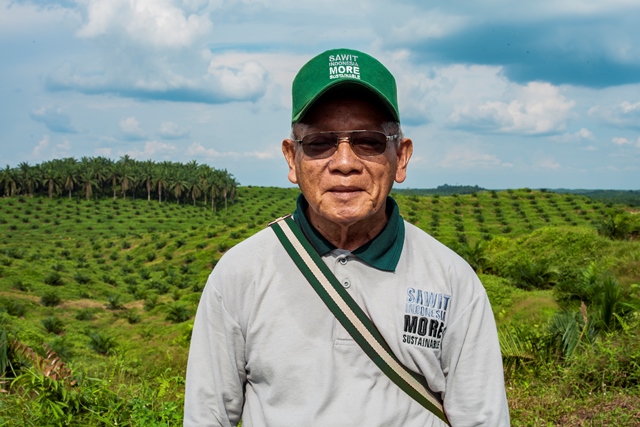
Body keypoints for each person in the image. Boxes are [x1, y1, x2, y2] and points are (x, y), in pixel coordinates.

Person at [184, 48, 510, 427]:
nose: (344, 163)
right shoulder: (240, 274)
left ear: (401, 158)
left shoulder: (452, 281)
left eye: (369, 141)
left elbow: (482, 418)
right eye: (320, 142)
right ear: (292, 159)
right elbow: (208, 416)